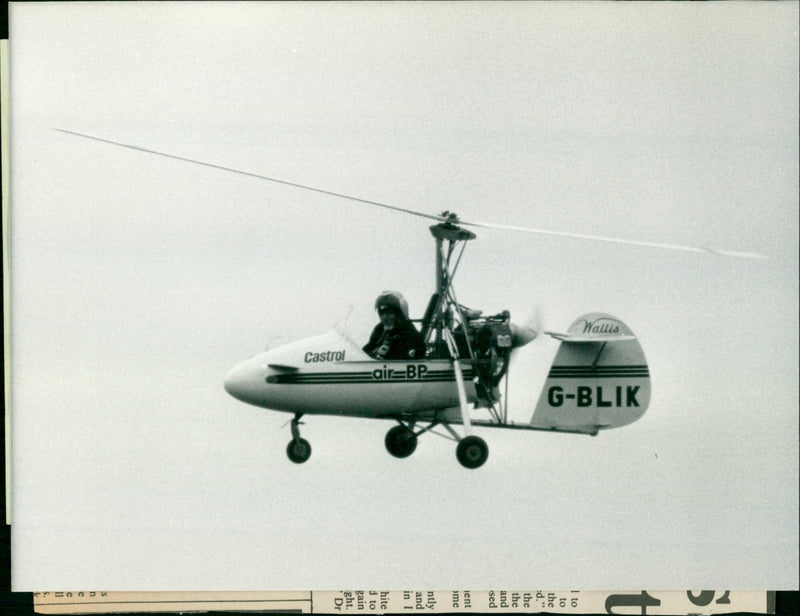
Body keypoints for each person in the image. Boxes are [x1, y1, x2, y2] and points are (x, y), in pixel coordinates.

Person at [363, 291, 427, 360]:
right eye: (382, 313)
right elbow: (366, 351)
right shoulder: (379, 330)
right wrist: (374, 352)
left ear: (399, 314)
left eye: (389, 313)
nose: (385, 318)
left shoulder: (410, 334)